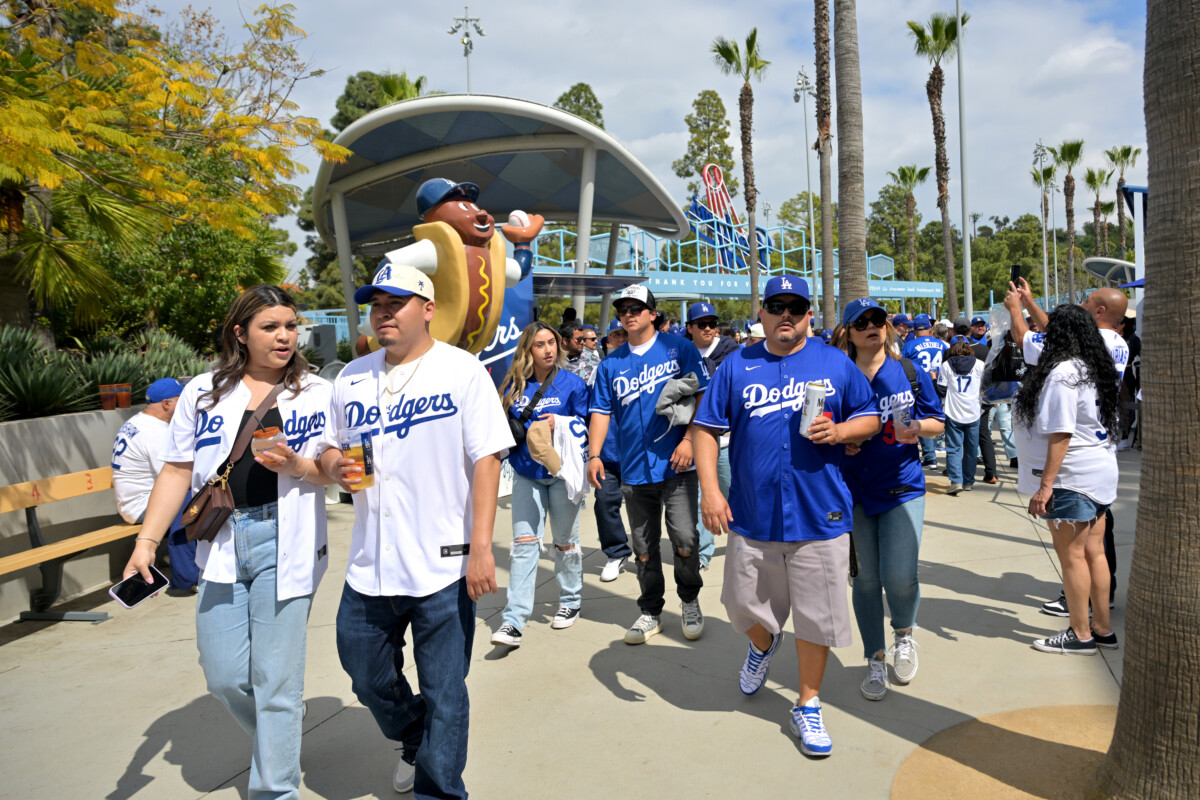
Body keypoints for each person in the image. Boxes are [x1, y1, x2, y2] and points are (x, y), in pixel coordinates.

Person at [122, 285, 335, 800]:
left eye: (290, 326)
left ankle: (275, 789)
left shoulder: (315, 391)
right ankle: (281, 728)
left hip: (287, 537)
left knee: (276, 681)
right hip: (219, 541)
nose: (284, 336)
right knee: (223, 676)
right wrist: (147, 542)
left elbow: (334, 462)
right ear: (240, 333)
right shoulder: (202, 392)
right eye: (270, 327)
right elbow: (175, 470)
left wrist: (301, 465)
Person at [320, 264, 511, 797]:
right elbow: (331, 446)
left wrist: (481, 549)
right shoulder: (352, 375)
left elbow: (487, 459)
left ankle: (440, 788)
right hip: (370, 565)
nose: (383, 310)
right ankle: (413, 734)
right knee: (366, 676)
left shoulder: (462, 370)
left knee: (446, 693)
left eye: (396, 301)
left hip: (442, 565)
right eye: (376, 302)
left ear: (427, 308)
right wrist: (335, 464)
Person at [694, 278, 880, 757]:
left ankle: (808, 704)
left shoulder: (833, 362)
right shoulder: (737, 365)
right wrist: (710, 492)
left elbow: (871, 418)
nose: (786, 315)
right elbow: (705, 430)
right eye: (776, 306)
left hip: (820, 513)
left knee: (816, 619)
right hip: (752, 515)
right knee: (739, 607)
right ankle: (762, 645)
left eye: (795, 308)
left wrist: (838, 431)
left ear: (808, 315)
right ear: (762, 311)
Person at [833, 298, 944, 702]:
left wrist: (914, 426)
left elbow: (938, 421)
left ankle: (903, 635)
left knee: (900, 576)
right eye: (860, 322)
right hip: (852, 491)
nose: (870, 326)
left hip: (903, 485)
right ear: (848, 331)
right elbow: (816, 425)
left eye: (877, 319)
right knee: (865, 581)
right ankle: (874, 657)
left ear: (887, 326)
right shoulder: (836, 375)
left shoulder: (909, 371)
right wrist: (839, 440)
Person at [587, 284, 709, 645]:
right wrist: (594, 455)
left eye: (637, 307)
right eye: (624, 308)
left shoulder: (679, 348)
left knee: (685, 539)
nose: (629, 313)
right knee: (643, 546)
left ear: (653, 314)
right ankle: (651, 610)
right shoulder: (611, 362)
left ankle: (689, 600)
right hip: (634, 469)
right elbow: (600, 412)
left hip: (677, 465)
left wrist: (689, 440)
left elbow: (704, 396)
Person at [1008, 280, 1127, 616]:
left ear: (1100, 311)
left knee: (1076, 556)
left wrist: (1018, 309)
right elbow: (1060, 332)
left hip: (1074, 469)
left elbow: (1028, 338)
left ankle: (1081, 617)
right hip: (1101, 458)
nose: (1084, 306)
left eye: (1088, 302)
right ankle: (1102, 613)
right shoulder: (1113, 343)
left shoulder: (1067, 368)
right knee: (1097, 549)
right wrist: (1030, 302)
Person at [491, 322, 588, 646]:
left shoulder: (572, 384)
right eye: (539, 345)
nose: (548, 349)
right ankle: (513, 621)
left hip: (561, 478)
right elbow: (500, 434)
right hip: (526, 477)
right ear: (527, 351)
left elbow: (587, 427)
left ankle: (570, 601)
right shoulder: (513, 387)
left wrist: (558, 423)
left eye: (551, 343)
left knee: (565, 543)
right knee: (524, 546)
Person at [112, 377, 195, 588]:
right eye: (181, 399)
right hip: (141, 506)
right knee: (190, 499)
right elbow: (175, 478)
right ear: (167, 403)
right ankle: (187, 577)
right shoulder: (155, 432)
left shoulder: (137, 421)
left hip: (130, 502)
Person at [685, 301, 740, 571]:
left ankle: (744, 545)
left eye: (711, 323)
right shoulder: (682, 354)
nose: (708, 328)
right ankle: (703, 554)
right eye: (701, 324)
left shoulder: (731, 352)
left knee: (736, 494)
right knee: (702, 499)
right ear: (690, 328)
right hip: (697, 438)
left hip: (728, 438)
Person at [937, 336, 983, 495]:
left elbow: (941, 389)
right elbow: (985, 387)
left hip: (953, 411)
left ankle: (956, 481)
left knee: (954, 448)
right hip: (974, 412)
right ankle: (969, 481)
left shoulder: (946, 365)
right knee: (971, 449)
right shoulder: (979, 364)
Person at [902, 314, 948, 469]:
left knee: (923, 417)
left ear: (914, 330)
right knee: (937, 416)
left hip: (919, 385)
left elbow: (902, 365)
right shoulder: (942, 344)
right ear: (930, 329)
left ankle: (930, 456)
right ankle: (936, 448)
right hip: (939, 383)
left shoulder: (909, 345)